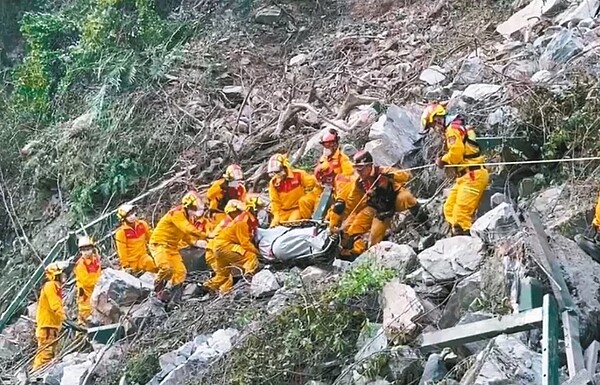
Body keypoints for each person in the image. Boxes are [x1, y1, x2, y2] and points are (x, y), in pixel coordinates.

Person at [340, 150, 427, 256]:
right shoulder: (359, 183)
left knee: (407, 198)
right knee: (373, 242)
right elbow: (352, 201)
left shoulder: (383, 171)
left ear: (368, 167)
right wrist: (340, 215)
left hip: (395, 200)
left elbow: (406, 176)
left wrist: (392, 175)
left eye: (361, 169)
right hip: (380, 210)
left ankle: (425, 223)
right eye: (357, 169)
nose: (358, 172)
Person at [421, 103, 489, 235]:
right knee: (449, 208)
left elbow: (456, 155)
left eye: (433, 125)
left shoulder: (452, 130)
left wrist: (442, 160)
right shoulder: (454, 127)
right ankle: (458, 235)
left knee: (460, 215)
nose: (434, 128)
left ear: (437, 119)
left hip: (473, 175)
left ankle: (469, 243)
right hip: (465, 176)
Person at [149, 191, 207, 302]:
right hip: (159, 244)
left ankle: (175, 301)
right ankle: (156, 290)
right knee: (166, 268)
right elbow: (186, 228)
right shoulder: (177, 214)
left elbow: (184, 234)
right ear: (188, 207)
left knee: (180, 272)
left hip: (172, 247)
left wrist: (195, 242)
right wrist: (206, 235)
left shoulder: (189, 217)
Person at [204, 196, 264, 294]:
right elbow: (245, 243)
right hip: (224, 246)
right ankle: (248, 281)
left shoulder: (241, 219)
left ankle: (207, 287)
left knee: (224, 275)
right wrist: (259, 254)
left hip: (218, 248)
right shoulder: (242, 221)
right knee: (250, 257)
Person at [267, 153, 317, 227]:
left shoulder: (298, 174)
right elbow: (275, 201)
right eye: (275, 173)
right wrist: (276, 215)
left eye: (278, 172)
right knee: (274, 228)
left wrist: (307, 196)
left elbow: (313, 184)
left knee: (291, 224)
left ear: (284, 167)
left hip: (296, 208)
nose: (277, 175)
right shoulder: (274, 183)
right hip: (283, 211)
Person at [33, 262, 66, 369]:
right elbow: (55, 305)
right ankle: (37, 375)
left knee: (48, 353)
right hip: (47, 327)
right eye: (61, 274)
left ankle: (38, 374)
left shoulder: (55, 286)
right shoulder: (50, 286)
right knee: (45, 354)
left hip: (51, 325)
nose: (63, 276)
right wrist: (64, 317)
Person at [114, 204, 156, 274]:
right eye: (128, 215)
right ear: (123, 218)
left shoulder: (142, 224)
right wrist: (126, 266)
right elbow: (122, 251)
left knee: (150, 263)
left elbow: (152, 238)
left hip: (143, 257)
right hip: (131, 263)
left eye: (132, 213)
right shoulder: (121, 232)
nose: (132, 216)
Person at [73, 236, 102, 325]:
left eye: (88, 249)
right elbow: (86, 281)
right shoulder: (80, 264)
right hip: (86, 292)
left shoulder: (95, 259)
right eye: (84, 250)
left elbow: (99, 271)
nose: (86, 252)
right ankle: (81, 332)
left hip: (96, 289)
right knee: (85, 311)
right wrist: (99, 282)